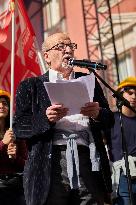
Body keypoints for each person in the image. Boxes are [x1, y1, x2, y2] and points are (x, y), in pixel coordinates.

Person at [13, 32, 114, 205]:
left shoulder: (88, 80)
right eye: (61, 47)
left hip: (88, 159)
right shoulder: (31, 86)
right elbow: (19, 128)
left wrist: (98, 114)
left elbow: (109, 120)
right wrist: (45, 118)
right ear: (47, 57)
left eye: (70, 46)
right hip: (50, 163)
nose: (67, 50)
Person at [107, 77, 136, 205]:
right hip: (122, 175)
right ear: (120, 94)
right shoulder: (110, 119)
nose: (134, 96)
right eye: (130, 93)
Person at [0, 89, 27, 205]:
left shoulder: (15, 132)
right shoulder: (7, 138)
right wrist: (3, 144)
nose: (1, 106)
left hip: (16, 186)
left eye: (5, 103)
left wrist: (15, 158)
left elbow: (26, 164)